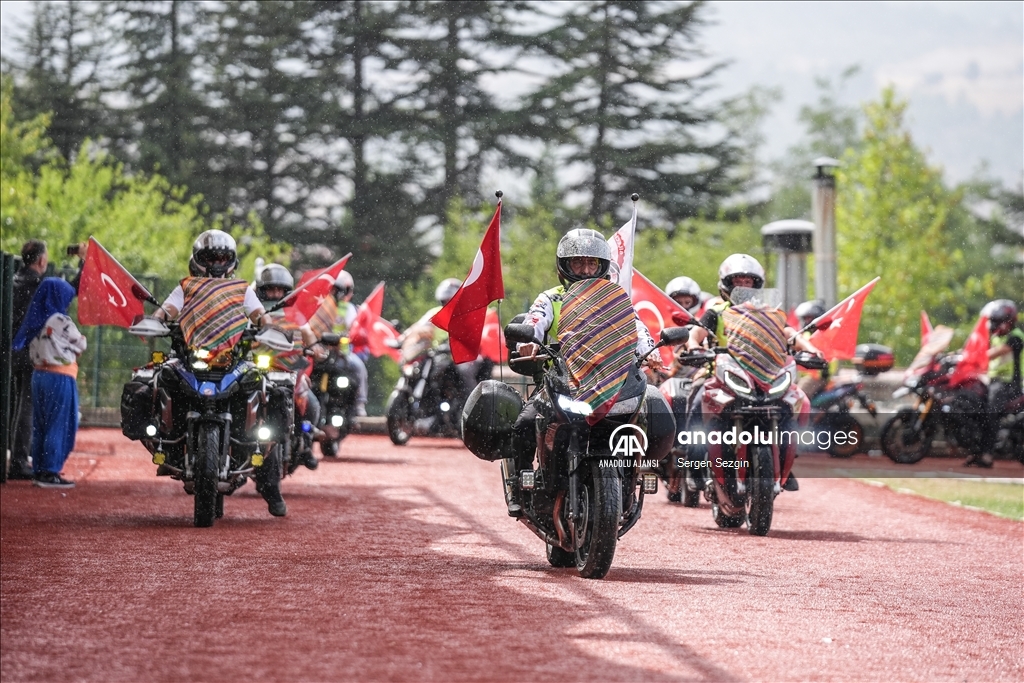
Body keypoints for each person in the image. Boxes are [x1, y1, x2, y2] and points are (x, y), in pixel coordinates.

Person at [506, 228, 662, 515]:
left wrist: (652, 352)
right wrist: (529, 342)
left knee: (652, 414)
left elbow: (638, 329)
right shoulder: (551, 298)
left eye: (592, 263)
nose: (586, 269)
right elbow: (535, 320)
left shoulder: (616, 300)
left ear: (602, 266)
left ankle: (635, 475)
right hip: (560, 380)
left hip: (612, 382)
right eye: (578, 262)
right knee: (525, 424)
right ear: (564, 266)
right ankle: (520, 484)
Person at [152, 230, 288, 516]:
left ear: (231, 261)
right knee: (157, 379)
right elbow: (165, 311)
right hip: (191, 361)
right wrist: (155, 322)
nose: (216, 263)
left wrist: (268, 327)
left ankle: (270, 486)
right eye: (210, 257)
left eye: (222, 257)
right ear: (198, 259)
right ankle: (167, 437)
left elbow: (260, 316)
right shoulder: (186, 287)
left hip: (233, 363)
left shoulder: (241, 289)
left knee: (271, 394)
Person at [684, 254, 819, 491]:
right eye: (738, 281)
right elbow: (697, 333)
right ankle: (694, 467)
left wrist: (810, 349)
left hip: (765, 376)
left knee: (796, 402)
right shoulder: (717, 311)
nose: (743, 287)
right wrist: (694, 347)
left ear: (757, 285)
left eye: (749, 282)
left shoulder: (768, 312)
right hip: (720, 376)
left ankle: (785, 463)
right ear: (726, 284)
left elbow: (789, 334)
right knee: (696, 401)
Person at [12, 279, 86, 488]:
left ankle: (40, 469)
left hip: (39, 376)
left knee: (42, 424)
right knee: (60, 424)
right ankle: (50, 471)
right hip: (60, 376)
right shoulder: (60, 320)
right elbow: (81, 343)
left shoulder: (35, 318)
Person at [255, 264, 322, 470]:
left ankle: (306, 442)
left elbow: (307, 333)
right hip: (260, 373)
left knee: (311, 403)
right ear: (261, 290)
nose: (275, 294)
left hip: (291, 373)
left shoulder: (296, 315)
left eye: (280, 290)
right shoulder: (252, 314)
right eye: (270, 289)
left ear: (287, 292)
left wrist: (315, 348)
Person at [398, 277, 488, 399]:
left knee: (464, 372)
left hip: (465, 357)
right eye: (444, 301)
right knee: (421, 369)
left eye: (450, 300)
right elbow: (418, 327)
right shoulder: (435, 313)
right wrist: (404, 337)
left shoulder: (468, 314)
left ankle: (473, 403)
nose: (447, 304)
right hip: (439, 355)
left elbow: (475, 336)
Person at [9, 240, 49, 479]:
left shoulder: (13, 281)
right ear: (41, 260)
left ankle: (17, 456)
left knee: (16, 405)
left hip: (11, 349)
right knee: (26, 406)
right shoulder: (37, 285)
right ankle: (19, 460)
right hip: (28, 350)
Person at [968, 300, 1023, 467]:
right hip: (994, 382)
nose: (994, 325)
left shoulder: (1016, 337)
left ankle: (987, 455)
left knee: (991, 415)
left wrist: (970, 356)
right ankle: (976, 450)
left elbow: (992, 354)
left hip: (1008, 384)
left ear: (1010, 321)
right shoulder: (998, 337)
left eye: (998, 322)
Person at [318, 270, 369, 418]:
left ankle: (359, 403)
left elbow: (354, 330)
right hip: (319, 352)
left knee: (359, 367)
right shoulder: (321, 306)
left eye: (340, 290)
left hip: (342, 354)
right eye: (334, 290)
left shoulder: (349, 309)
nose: (337, 294)